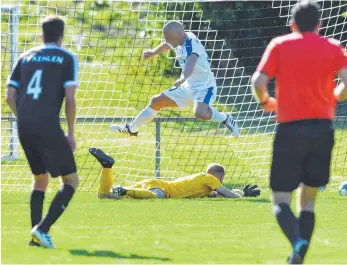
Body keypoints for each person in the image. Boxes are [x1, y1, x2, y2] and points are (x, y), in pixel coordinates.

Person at [251, 2, 347, 264]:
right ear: (319, 25)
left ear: (292, 24)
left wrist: (266, 102)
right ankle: (299, 255)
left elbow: (258, 82)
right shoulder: (333, 47)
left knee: (280, 199)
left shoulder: (280, 45)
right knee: (308, 201)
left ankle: (297, 240)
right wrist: (336, 96)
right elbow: (346, 82)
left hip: (290, 128)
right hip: (322, 129)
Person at [6, 16, 80, 248]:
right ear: (61, 36)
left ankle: (35, 239)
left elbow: (9, 96)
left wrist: (25, 120)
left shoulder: (25, 57)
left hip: (24, 124)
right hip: (47, 124)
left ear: (42, 35)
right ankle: (42, 228)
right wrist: (70, 132)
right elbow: (70, 98)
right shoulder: (67, 57)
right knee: (71, 181)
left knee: (40, 179)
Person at [110, 20, 240, 138]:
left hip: (204, 88)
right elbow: (167, 45)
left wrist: (183, 77)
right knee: (156, 101)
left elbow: (191, 62)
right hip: (187, 87)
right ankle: (131, 130)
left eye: (168, 38)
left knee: (200, 113)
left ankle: (225, 118)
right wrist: (153, 52)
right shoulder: (179, 39)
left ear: (178, 35)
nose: (167, 40)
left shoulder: (191, 44)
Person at [89, 148, 260, 199]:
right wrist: (240, 197)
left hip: (154, 183)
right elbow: (225, 193)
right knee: (155, 199)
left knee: (105, 196)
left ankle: (107, 167)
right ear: (219, 176)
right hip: (162, 191)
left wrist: (244, 192)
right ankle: (125, 190)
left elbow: (217, 195)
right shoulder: (209, 179)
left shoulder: (203, 185)